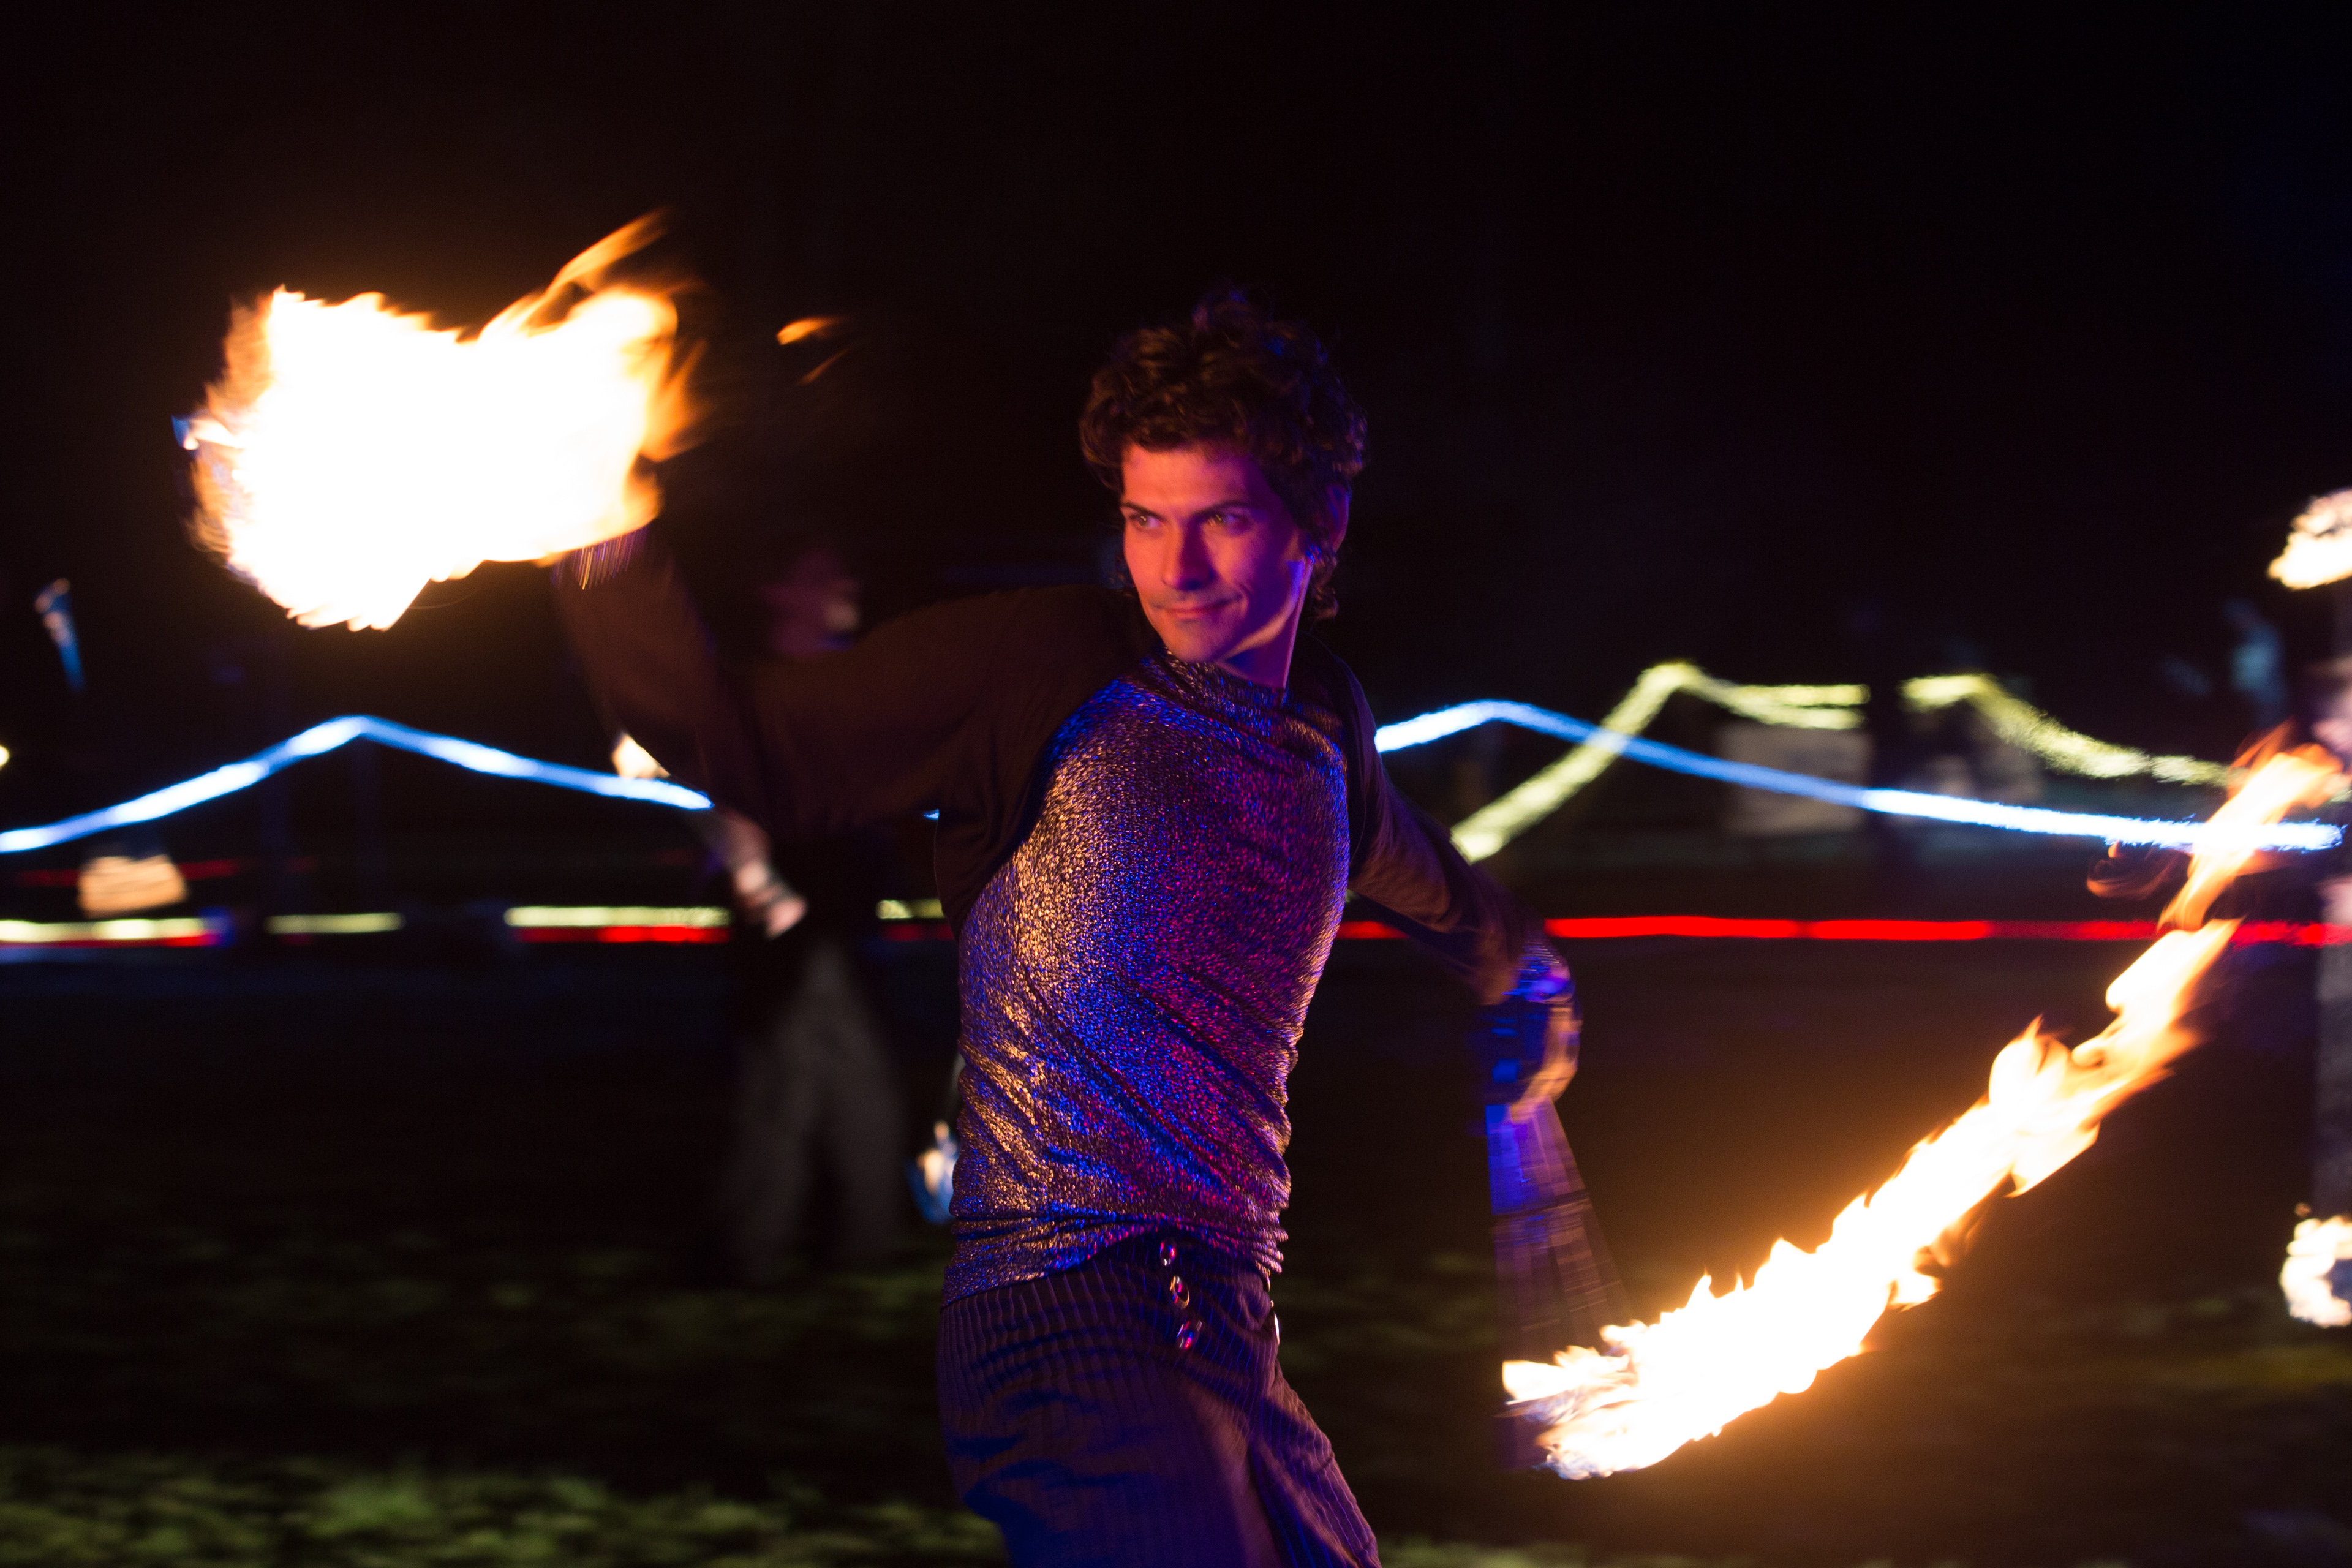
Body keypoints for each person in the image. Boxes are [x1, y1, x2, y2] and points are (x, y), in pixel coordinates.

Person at [551, 293, 1571, 1567]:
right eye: (1145, 518)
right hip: (1062, 1318)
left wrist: (1527, 973)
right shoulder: (1043, 666)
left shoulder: (1324, 726)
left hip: (1222, 1325)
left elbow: (1422, 872)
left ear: (1323, 526)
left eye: (1222, 518)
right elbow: (740, 741)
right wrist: (592, 522)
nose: (1174, 567)